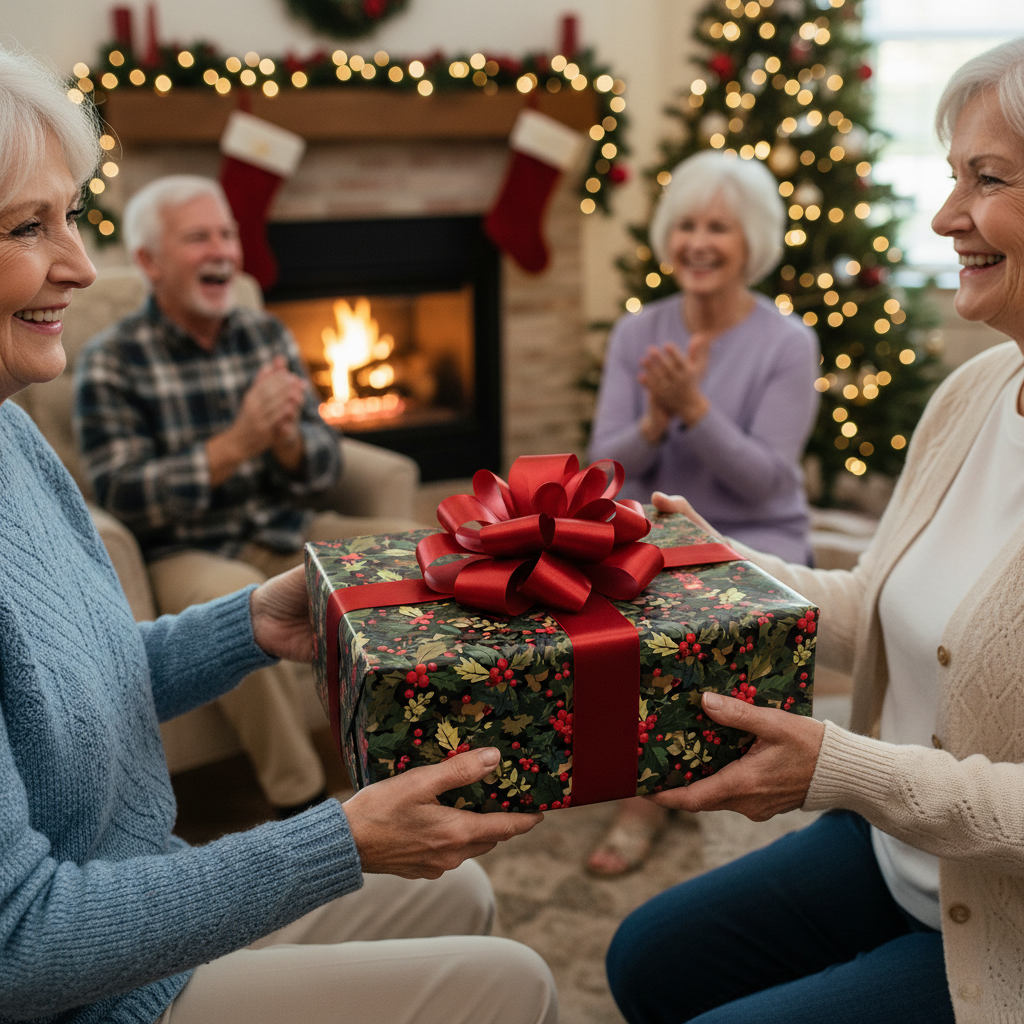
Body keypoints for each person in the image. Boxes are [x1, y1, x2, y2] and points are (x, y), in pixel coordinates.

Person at [0, 46, 557, 1024]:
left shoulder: (10, 426)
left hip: (143, 885)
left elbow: (66, 694)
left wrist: (248, 622)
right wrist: (333, 842)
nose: (82, 266)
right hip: (81, 990)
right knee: (517, 981)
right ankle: (308, 799)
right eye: (26, 226)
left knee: (458, 890)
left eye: (72, 214)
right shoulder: (105, 363)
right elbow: (20, 946)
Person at [606, 38, 1024, 1024]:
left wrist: (838, 766)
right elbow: (876, 601)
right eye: (950, 176)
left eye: (987, 179)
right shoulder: (972, 392)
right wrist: (715, 561)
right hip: (898, 846)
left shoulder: (781, 341)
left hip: (1003, 918)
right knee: (646, 959)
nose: (944, 216)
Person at [72, 175, 420, 817]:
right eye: (198, 237)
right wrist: (237, 442)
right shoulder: (110, 362)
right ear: (148, 261)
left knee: (406, 555)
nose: (222, 250)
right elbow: (123, 495)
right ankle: (303, 802)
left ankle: (421, 746)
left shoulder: (265, 336)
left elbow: (323, 465)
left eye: (227, 234)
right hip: (185, 550)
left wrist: (286, 443)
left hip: (285, 525)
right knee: (230, 605)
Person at [585, 150, 820, 875]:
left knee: (692, 627)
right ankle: (646, 786)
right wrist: (656, 422)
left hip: (756, 536)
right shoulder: (639, 333)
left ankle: (675, 792)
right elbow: (601, 472)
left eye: (719, 226)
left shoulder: (788, 343)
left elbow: (766, 480)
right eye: (685, 224)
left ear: (750, 241)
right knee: (619, 615)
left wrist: (695, 409)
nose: (698, 242)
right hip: (660, 534)